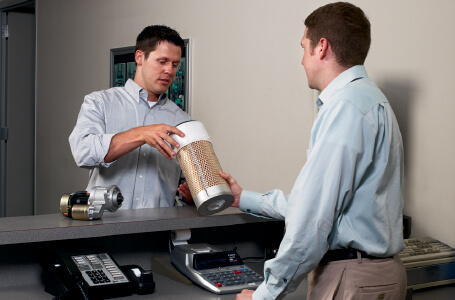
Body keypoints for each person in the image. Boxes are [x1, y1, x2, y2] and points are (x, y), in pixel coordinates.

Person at [220, 2, 407, 299]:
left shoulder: (344, 108)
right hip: (378, 275)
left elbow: (313, 219)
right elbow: (320, 203)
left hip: (351, 278)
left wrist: (265, 294)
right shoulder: (372, 100)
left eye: (303, 47)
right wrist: (245, 199)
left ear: (321, 48)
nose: (301, 60)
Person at [69, 25, 193, 209]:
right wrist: (141, 134)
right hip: (104, 229)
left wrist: (191, 197)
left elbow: (186, 190)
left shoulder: (183, 121)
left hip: (157, 231)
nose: (169, 70)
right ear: (139, 57)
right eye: (162, 61)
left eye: (175, 64)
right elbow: (83, 153)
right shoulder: (100, 102)